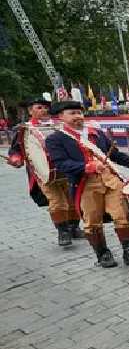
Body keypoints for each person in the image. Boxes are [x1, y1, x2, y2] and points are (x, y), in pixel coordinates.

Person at [45, 101, 129, 268]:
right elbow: (62, 164)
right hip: (85, 184)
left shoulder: (96, 133)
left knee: (122, 215)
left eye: (79, 112)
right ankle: (103, 254)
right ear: (61, 117)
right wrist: (86, 167)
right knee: (92, 221)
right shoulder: (55, 139)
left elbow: (115, 155)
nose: (78, 116)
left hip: (111, 180)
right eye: (72, 113)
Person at [7, 98, 82, 246]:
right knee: (57, 201)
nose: (44, 110)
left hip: (67, 170)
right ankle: (63, 232)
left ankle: (74, 228)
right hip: (43, 173)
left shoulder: (59, 125)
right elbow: (16, 150)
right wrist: (16, 159)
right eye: (39, 108)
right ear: (30, 111)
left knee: (73, 200)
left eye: (46, 108)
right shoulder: (25, 129)